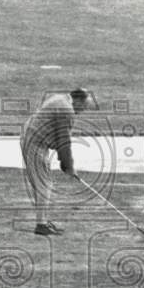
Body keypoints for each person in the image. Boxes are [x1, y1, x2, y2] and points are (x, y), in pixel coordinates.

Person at [20, 88, 97, 235]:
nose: (82, 111)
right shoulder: (66, 110)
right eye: (84, 107)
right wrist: (69, 166)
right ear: (78, 101)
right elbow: (64, 142)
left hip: (32, 138)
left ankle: (43, 221)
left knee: (42, 182)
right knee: (44, 183)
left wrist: (65, 163)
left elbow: (58, 138)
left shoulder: (60, 98)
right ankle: (41, 225)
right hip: (34, 142)